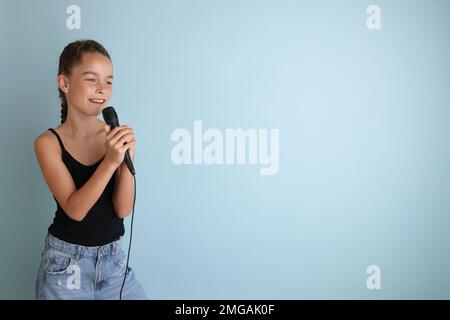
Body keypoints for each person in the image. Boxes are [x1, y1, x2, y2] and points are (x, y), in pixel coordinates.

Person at [33, 39, 147, 299]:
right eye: (91, 79)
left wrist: (126, 160)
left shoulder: (113, 137)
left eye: (108, 81)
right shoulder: (48, 143)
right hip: (65, 266)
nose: (102, 89)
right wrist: (110, 162)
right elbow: (75, 209)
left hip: (113, 262)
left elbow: (123, 209)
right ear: (64, 83)